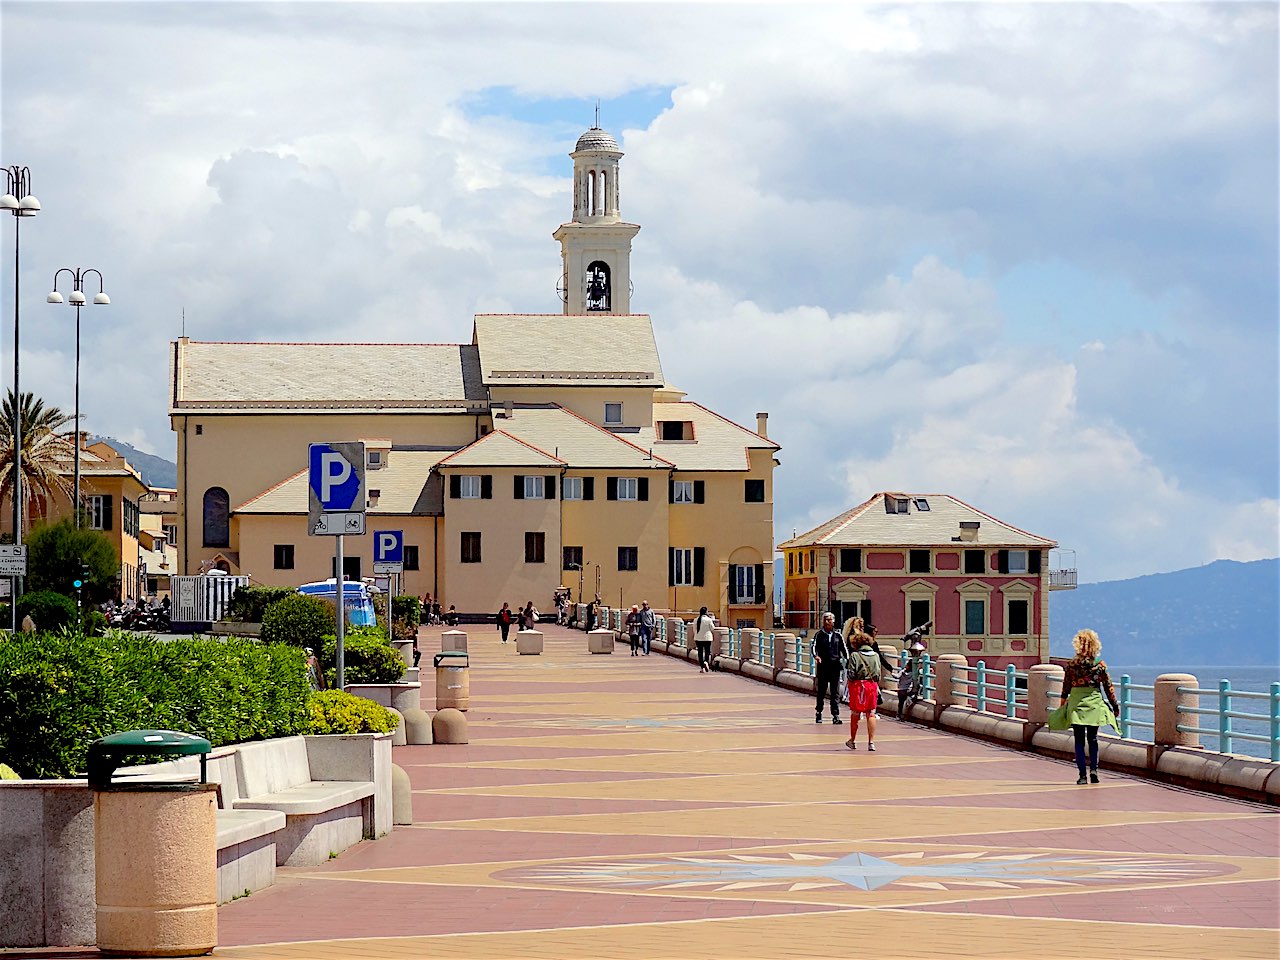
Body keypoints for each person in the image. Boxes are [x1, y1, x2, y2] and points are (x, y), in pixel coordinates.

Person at [1050, 628, 1120, 785]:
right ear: (1096, 645)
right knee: (1093, 739)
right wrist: (1115, 707)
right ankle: (1094, 770)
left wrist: (1062, 705)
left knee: (1079, 741)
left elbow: (1065, 687)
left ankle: (1082, 776)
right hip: (1094, 703)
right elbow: (1109, 688)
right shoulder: (1100, 666)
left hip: (1076, 705)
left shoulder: (1072, 666)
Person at [845, 630, 882, 750]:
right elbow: (878, 675)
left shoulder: (855, 655)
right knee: (871, 713)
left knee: (855, 714)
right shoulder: (876, 655)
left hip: (858, 687)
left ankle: (853, 740)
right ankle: (871, 742)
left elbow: (851, 674)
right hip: (872, 686)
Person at [812, 612, 845, 724]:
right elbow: (814, 647)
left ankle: (835, 715)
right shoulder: (819, 635)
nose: (827, 622)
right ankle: (819, 712)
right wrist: (816, 656)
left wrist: (850, 661)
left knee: (835, 692)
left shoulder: (838, 636)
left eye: (830, 620)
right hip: (823, 667)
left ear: (833, 621)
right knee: (821, 691)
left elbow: (844, 650)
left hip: (835, 667)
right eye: (826, 619)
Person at [693, 606, 715, 673]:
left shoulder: (696, 619)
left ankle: (702, 668)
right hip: (707, 638)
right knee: (707, 651)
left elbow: (694, 630)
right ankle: (706, 661)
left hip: (698, 638)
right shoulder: (709, 620)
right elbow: (713, 628)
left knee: (700, 653)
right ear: (706, 612)